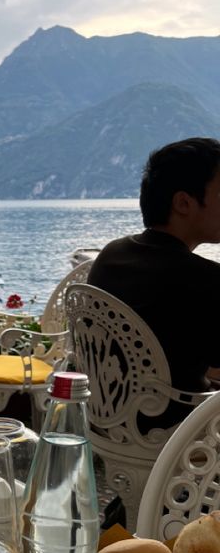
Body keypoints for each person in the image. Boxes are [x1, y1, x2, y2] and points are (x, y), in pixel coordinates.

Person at [88, 137, 220, 421]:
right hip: (179, 437)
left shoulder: (112, 254)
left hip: (108, 420)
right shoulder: (203, 278)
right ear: (184, 203)